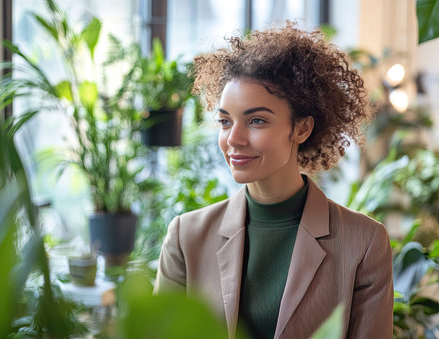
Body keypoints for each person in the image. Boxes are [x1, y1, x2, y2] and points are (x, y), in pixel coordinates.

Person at [154, 22, 393, 339]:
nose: (233, 139)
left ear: (302, 128)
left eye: (256, 120)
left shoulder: (363, 243)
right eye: (225, 121)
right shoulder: (187, 237)